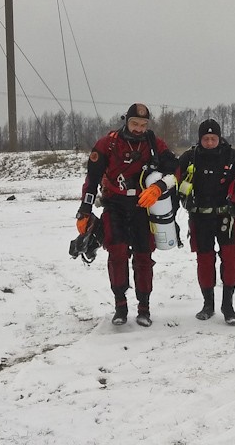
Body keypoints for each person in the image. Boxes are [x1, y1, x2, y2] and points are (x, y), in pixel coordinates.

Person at [76, 103, 179, 326]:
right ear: (126, 121)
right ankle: (120, 305)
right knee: (117, 253)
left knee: (144, 256)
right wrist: (84, 210)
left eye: (143, 124)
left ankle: (144, 308)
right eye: (135, 123)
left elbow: (176, 169)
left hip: (143, 207)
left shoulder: (153, 144)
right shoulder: (108, 144)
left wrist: (159, 187)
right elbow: (92, 180)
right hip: (115, 204)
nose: (139, 128)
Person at [177, 119, 235, 325]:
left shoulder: (233, 157)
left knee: (230, 259)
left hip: (227, 217)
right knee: (204, 260)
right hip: (200, 217)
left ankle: (227, 305)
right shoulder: (190, 157)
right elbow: (173, 176)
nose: (210, 142)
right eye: (206, 139)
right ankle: (208, 304)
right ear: (200, 139)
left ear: (219, 138)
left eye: (213, 138)